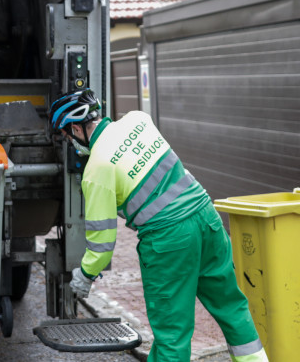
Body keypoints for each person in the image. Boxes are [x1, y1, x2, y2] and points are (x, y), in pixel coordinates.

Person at [50, 89, 269, 362]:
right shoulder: (138, 120)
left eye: (67, 137)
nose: (70, 143)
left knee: (172, 334)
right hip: (207, 218)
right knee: (232, 307)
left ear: (75, 128)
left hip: (170, 242)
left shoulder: (96, 169)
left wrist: (85, 275)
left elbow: (102, 245)